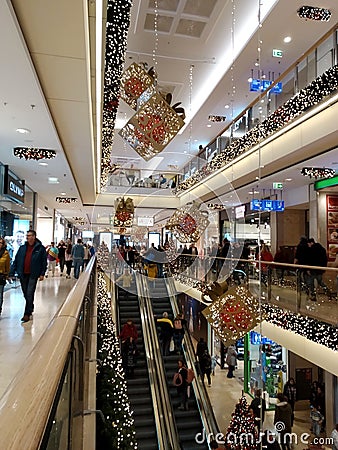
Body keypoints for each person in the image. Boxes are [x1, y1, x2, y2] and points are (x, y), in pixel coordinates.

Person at [9, 230, 47, 323]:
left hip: (33, 274)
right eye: (27, 236)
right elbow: (16, 260)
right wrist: (11, 272)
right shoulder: (22, 248)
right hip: (23, 274)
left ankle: (27, 313)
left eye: (29, 235)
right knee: (26, 293)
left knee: (30, 293)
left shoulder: (40, 248)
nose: (27, 237)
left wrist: (42, 273)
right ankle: (30, 306)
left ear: (34, 237)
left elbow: (43, 262)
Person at [0, 238, 10, 315]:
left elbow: (7, 266)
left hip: (1, 276)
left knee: (0, 295)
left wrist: (6, 274)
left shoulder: (6, 254)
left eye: (1, 243)